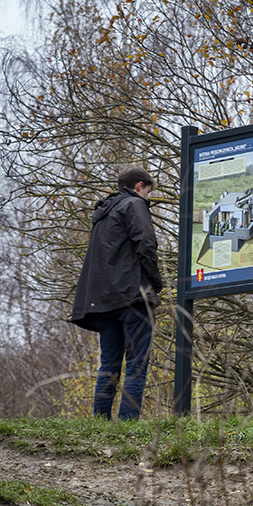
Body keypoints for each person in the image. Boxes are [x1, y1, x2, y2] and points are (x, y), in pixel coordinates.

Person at [70, 166, 164, 420]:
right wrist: (156, 281)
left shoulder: (102, 215)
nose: (147, 198)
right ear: (139, 186)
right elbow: (146, 244)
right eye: (148, 192)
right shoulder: (134, 205)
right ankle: (127, 424)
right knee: (137, 363)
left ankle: (100, 423)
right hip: (132, 297)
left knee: (109, 365)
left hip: (103, 302)